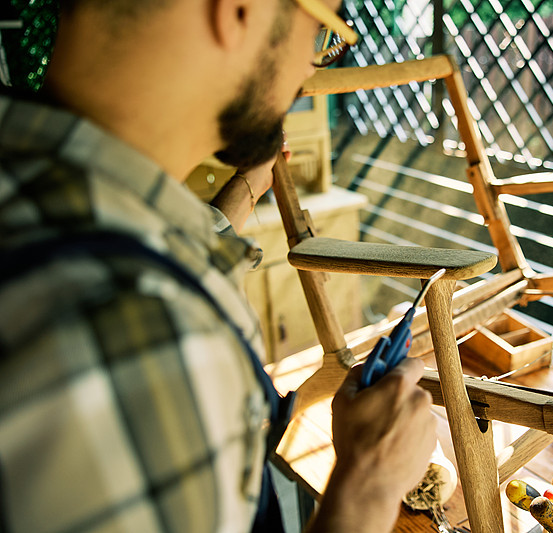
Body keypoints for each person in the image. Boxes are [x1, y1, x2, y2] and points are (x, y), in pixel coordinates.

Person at [0, 1, 436, 532]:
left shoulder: (32, 181)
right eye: (323, 32)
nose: (310, 66)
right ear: (239, 10)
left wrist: (246, 190)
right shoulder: (142, 333)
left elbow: (143, 233)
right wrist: (369, 485)